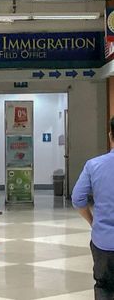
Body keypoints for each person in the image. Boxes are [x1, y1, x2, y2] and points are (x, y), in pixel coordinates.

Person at [72, 116, 114, 300]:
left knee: (104, 287)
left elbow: (78, 198)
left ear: (111, 135)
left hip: (104, 241)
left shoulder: (94, 165)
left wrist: (93, 221)